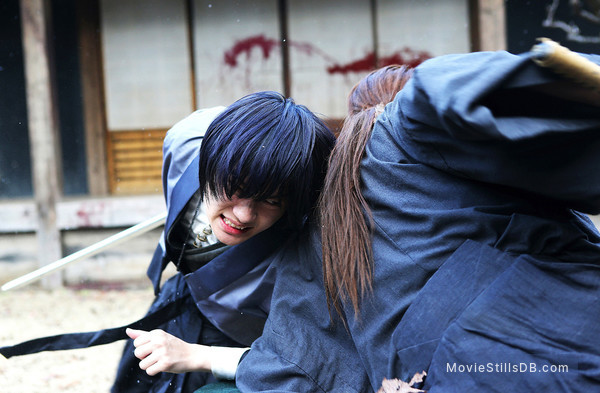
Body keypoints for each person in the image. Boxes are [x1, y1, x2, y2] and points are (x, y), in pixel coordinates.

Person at [237, 47, 600, 392]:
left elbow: (286, 369)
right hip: (564, 333)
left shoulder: (315, 240)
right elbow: (451, 90)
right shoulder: (406, 125)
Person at [111, 91, 335, 393]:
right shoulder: (187, 142)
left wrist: (200, 356)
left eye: (270, 200)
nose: (243, 215)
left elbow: (300, 362)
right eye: (236, 187)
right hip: (174, 307)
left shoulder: (309, 248)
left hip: (242, 350)